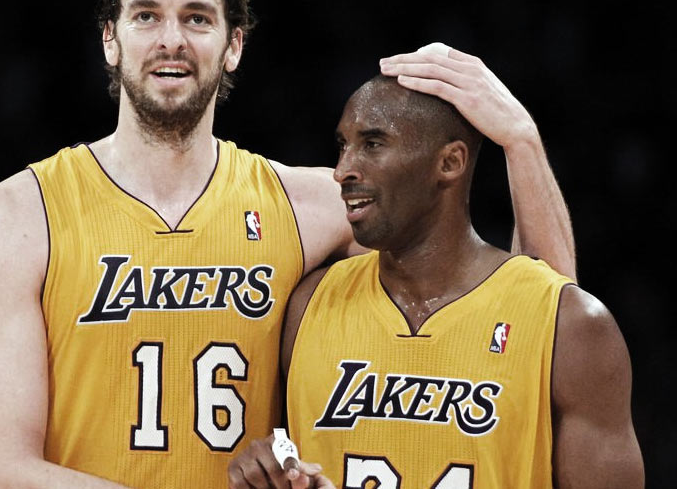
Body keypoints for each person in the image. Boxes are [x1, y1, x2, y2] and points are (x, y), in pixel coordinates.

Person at [0, 0, 577, 487]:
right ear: (110, 40)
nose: (171, 39)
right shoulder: (15, 217)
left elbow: (537, 325)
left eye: (197, 18)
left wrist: (521, 142)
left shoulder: (309, 206)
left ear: (233, 46)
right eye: (146, 16)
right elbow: (4, 472)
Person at [227, 75, 643, 488]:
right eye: (343, 145)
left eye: (373, 144)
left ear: (450, 163)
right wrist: (268, 471)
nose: (342, 170)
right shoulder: (309, 306)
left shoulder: (571, 324)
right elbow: (281, 456)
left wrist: (521, 140)